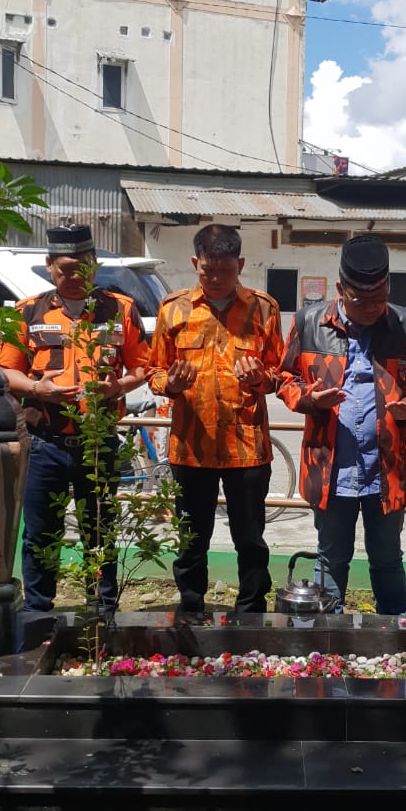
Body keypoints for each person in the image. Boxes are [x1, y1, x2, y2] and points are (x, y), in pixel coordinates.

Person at [0, 224, 150, 622]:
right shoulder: (26, 312)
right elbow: (4, 372)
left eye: (83, 267)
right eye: (66, 268)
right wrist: (37, 389)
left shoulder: (121, 308)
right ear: (49, 267)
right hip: (44, 441)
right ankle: (37, 613)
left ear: (94, 266)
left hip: (97, 443)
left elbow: (144, 366)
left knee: (99, 532)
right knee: (39, 535)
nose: (75, 276)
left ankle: (101, 611)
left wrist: (118, 386)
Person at [278, 234, 406, 614]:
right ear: (339, 289)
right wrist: (309, 400)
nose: (370, 308)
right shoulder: (308, 323)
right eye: (360, 300)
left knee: (387, 558)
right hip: (330, 468)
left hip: (386, 470)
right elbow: (284, 378)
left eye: (379, 299)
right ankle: (326, 640)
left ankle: (396, 636)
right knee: (331, 558)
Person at [148, 224, 282, 618]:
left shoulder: (264, 308)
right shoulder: (173, 309)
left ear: (240, 264)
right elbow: (154, 371)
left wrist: (262, 379)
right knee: (191, 541)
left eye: (226, 270)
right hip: (191, 447)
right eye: (208, 271)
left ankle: (251, 612)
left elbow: (281, 373)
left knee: (251, 540)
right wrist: (168, 384)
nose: (217, 279)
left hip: (248, 449)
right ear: (195, 264)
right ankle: (191, 610)